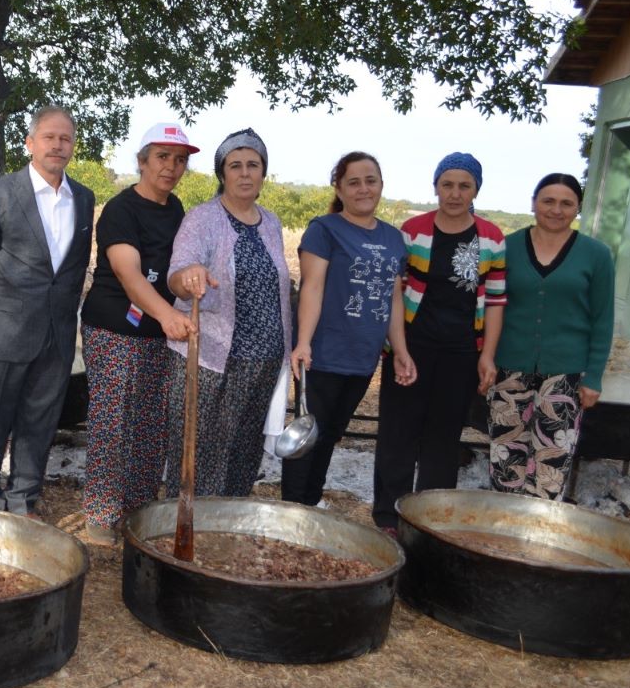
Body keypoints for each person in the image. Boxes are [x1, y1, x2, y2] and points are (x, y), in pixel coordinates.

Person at [0, 106, 95, 518]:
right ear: (30, 143)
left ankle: (23, 499)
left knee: (41, 420)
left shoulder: (83, 198)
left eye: (65, 138)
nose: (57, 145)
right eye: (48, 137)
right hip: (4, 329)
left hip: (58, 332)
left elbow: (71, 268)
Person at [372, 152, 505, 533]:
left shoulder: (491, 238)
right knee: (398, 431)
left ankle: (427, 519)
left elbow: (495, 301)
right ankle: (388, 517)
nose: (454, 193)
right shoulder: (412, 231)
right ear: (436, 186)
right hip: (411, 346)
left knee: (443, 438)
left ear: (476, 189)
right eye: (447, 184)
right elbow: (394, 294)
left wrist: (488, 356)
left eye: (464, 185)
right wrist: (398, 349)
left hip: (462, 352)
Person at [79, 122, 199, 545]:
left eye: (180, 160)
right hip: (115, 329)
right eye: (163, 157)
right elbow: (130, 275)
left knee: (151, 422)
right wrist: (168, 314)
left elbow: (174, 270)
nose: (171, 167)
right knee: (115, 419)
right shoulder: (121, 209)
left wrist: (184, 295)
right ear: (143, 161)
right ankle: (100, 515)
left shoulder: (177, 210)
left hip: (157, 333)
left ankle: (138, 511)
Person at [165, 128, 291, 499]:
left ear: (264, 173)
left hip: (264, 360)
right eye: (235, 165)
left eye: (253, 165)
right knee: (198, 449)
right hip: (214, 358)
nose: (245, 173)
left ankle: (227, 523)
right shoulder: (203, 218)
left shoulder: (271, 222)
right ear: (223, 173)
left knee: (243, 451)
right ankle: (183, 527)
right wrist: (189, 276)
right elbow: (179, 271)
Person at [284, 152, 413, 507]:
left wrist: (399, 350)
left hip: (363, 357)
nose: (363, 188)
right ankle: (291, 511)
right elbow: (312, 287)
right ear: (338, 188)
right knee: (307, 438)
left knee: (329, 438)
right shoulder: (324, 230)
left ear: (381, 186)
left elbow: (394, 299)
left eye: (370, 181)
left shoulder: (393, 239)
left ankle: (308, 507)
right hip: (323, 354)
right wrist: (304, 343)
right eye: (353, 182)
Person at [488, 173, 614, 499]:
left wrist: (594, 376)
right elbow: (490, 306)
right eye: (548, 201)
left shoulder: (596, 255)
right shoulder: (506, 247)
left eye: (566, 203)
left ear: (577, 209)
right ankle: (498, 533)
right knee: (506, 458)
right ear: (533, 203)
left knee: (551, 463)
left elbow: (602, 320)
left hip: (565, 375)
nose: (556, 210)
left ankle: (536, 538)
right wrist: (485, 358)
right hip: (509, 369)